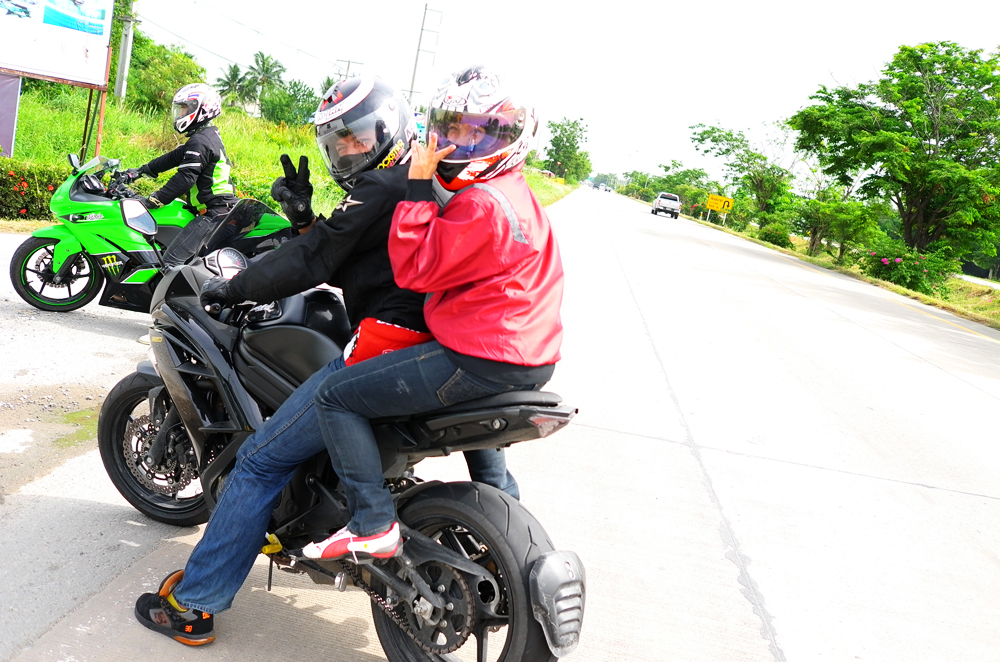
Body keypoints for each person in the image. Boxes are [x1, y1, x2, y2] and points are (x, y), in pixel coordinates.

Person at [133, 76, 519, 645]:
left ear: (390, 127)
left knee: (261, 461)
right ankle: (502, 553)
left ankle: (194, 604)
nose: (350, 150)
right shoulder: (431, 178)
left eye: (359, 137)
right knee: (486, 457)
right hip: (455, 344)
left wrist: (233, 289)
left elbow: (315, 259)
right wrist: (304, 218)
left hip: (389, 340)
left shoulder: (384, 184)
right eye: (340, 142)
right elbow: (357, 254)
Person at [296, 65, 564, 562]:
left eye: (478, 131)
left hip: (481, 355)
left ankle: (372, 521)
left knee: (335, 396)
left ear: (511, 135)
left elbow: (415, 269)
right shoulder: (518, 195)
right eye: (451, 128)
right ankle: (502, 542)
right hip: (528, 354)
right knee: (487, 458)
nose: (458, 142)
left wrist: (418, 185)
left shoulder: (480, 205)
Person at [123, 83, 240, 267]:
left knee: (170, 262)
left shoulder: (201, 141)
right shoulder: (205, 136)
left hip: (214, 216)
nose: (181, 113)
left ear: (201, 110)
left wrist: (153, 200)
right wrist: (140, 171)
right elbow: (172, 158)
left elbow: (185, 178)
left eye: (185, 108)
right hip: (222, 211)